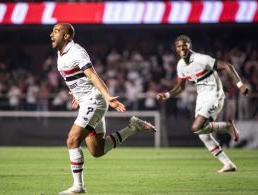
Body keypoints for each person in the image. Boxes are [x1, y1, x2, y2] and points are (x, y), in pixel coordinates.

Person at [50, 23, 156, 194]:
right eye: (52, 31)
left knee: (72, 140)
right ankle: (133, 127)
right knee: (97, 150)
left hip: (94, 101)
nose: (51, 34)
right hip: (86, 101)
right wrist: (75, 94)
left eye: (56, 31)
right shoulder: (60, 54)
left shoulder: (77, 51)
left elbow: (92, 75)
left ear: (67, 36)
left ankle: (79, 186)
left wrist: (107, 97)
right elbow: (76, 78)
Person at [156, 35, 249, 173]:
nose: (182, 48)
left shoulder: (201, 59)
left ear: (190, 46)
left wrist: (240, 85)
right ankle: (228, 164)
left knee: (196, 127)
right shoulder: (180, 65)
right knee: (202, 134)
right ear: (176, 49)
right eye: (179, 46)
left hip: (214, 94)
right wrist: (167, 95)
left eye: (185, 45)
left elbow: (227, 66)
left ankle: (227, 126)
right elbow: (181, 87)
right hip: (202, 97)